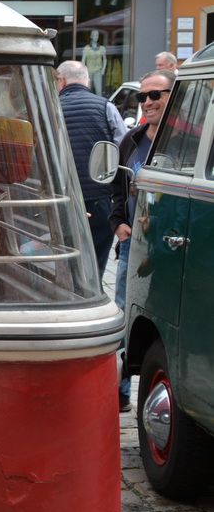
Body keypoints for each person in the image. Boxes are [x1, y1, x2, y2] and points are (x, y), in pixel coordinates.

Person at [110, 71, 172, 410]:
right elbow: (117, 188)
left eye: (155, 95)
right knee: (122, 314)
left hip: (172, 247)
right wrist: (118, 222)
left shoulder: (184, 141)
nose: (147, 102)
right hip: (132, 246)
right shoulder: (130, 141)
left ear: (172, 95)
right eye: (142, 97)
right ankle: (119, 392)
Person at [55, 60, 125, 276]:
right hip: (100, 198)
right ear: (87, 80)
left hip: (62, 198)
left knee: (64, 256)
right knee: (96, 259)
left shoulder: (52, 108)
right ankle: (94, 295)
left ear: (62, 80)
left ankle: (68, 294)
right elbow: (122, 149)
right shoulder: (106, 107)